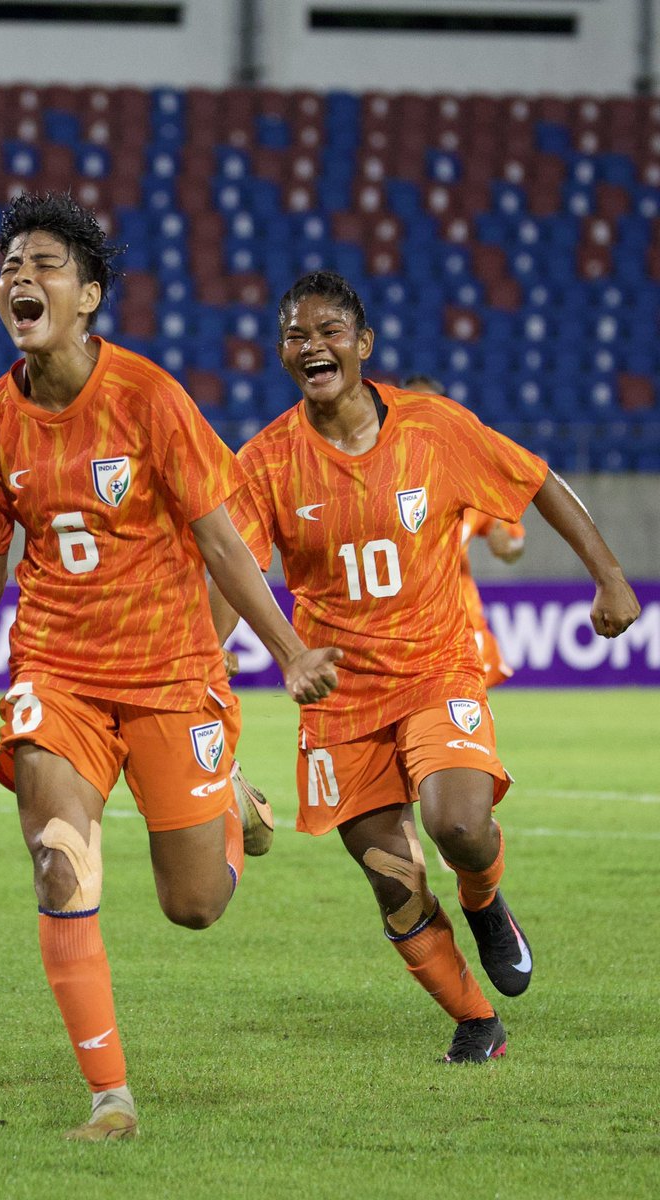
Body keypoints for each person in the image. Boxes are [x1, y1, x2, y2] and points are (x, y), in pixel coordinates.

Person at [0, 193, 340, 1141]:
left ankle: (231, 804)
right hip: (56, 670)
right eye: (11, 264)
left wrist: (289, 652)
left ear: (88, 296)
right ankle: (111, 1098)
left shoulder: (149, 398)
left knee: (195, 907)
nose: (21, 277)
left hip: (174, 674)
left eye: (45, 264)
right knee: (58, 856)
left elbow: (221, 543)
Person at [211, 271, 640, 1064]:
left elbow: (537, 479)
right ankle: (477, 1022)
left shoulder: (433, 427)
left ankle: (485, 902)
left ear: (364, 345)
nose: (314, 346)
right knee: (392, 878)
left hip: (436, 666)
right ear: (281, 354)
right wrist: (215, 670)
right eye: (297, 335)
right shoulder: (266, 461)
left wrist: (609, 574)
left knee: (458, 824)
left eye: (331, 330)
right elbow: (231, 572)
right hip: (339, 699)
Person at [403, 374, 525, 687]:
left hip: (462, 626)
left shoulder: (472, 478)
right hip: (400, 630)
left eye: (430, 406)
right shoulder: (377, 477)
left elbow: (513, 543)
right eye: (411, 406)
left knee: (463, 724)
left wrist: (507, 547)